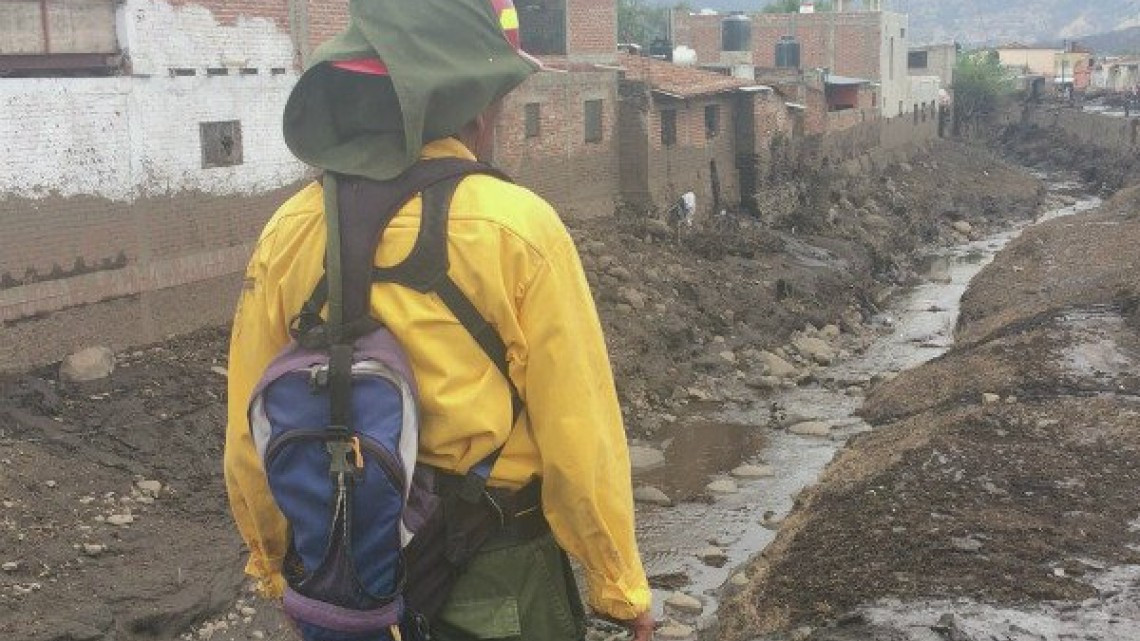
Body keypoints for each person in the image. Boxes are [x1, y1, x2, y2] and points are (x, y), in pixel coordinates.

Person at [222, 0, 654, 639]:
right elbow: (580, 437)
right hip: (498, 578)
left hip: (350, 581)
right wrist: (620, 588)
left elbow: (249, 435)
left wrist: (275, 564)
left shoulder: (288, 233)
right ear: (473, 107)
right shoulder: (517, 228)